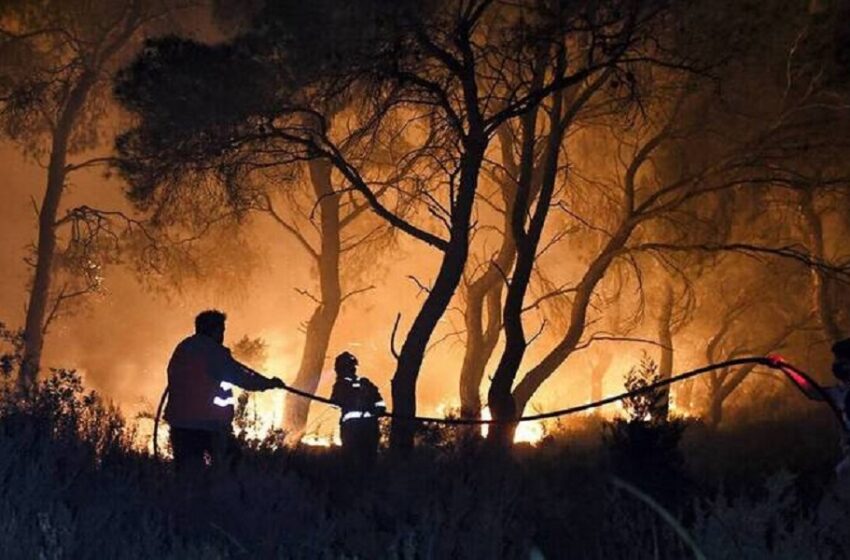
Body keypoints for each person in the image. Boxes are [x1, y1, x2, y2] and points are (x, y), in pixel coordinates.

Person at [164, 310, 285, 479]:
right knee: (232, 464)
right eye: (221, 330)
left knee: (188, 475)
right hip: (207, 425)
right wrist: (268, 383)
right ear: (215, 330)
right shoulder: (213, 352)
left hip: (180, 424)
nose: (222, 335)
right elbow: (240, 376)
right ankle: (225, 500)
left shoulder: (184, 348)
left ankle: (187, 502)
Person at [770, 339, 850, 478]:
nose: (837, 365)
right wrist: (784, 366)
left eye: (842, 360)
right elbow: (812, 391)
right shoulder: (841, 392)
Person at [331, 351, 386, 466]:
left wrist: (378, 410)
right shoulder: (344, 384)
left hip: (359, 428)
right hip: (363, 427)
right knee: (358, 461)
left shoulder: (363, 383)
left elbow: (380, 403)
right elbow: (335, 403)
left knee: (361, 461)